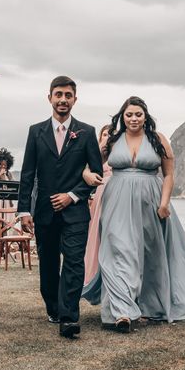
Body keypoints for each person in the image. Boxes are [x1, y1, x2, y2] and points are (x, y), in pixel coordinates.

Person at [96, 96, 185, 333]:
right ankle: (122, 311)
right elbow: (93, 164)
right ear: (122, 117)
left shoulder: (158, 140)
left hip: (151, 201)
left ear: (145, 116)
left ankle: (150, 305)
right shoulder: (114, 140)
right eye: (129, 115)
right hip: (117, 201)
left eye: (138, 114)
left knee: (149, 254)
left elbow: (168, 175)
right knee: (118, 251)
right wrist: (90, 170)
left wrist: (165, 203)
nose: (134, 119)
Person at [18, 76, 103, 339]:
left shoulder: (87, 132)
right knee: (49, 262)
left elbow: (97, 173)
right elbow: (27, 173)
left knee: (75, 262)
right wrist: (24, 211)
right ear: (50, 98)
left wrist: (73, 195)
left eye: (68, 95)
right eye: (58, 94)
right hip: (43, 211)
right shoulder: (35, 131)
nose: (63, 99)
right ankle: (53, 307)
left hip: (75, 211)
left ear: (75, 99)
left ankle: (69, 317)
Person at [82, 125, 112, 292]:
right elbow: (87, 170)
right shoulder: (98, 153)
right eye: (105, 134)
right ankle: (94, 273)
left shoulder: (117, 152)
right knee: (98, 233)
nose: (108, 137)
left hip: (117, 191)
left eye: (111, 134)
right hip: (102, 194)